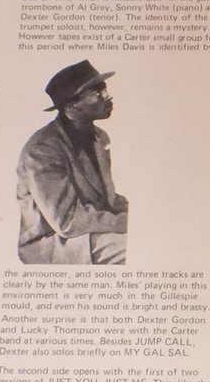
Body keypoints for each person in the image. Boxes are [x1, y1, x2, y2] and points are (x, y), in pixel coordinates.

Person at [16, 59, 128, 264]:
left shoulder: (98, 137)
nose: (108, 97)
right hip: (54, 243)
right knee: (134, 247)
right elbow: (67, 221)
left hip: (89, 232)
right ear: (71, 107)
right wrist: (127, 222)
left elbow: (106, 199)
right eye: (97, 93)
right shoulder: (41, 150)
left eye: (105, 90)